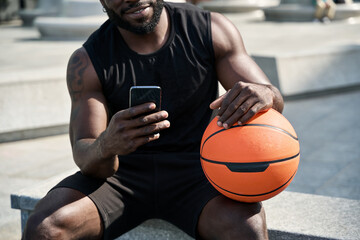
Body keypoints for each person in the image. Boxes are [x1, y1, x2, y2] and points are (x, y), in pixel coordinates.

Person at [23, 0, 284, 239]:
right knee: (45, 228)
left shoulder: (210, 29)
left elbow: (272, 99)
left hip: (199, 172)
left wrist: (266, 93)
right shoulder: (87, 60)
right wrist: (107, 145)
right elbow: (85, 155)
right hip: (122, 178)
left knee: (246, 229)